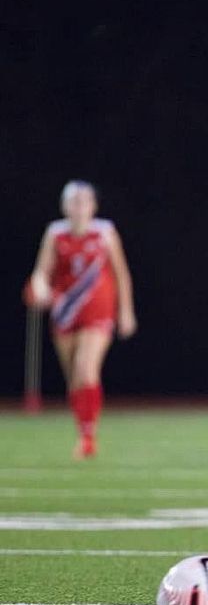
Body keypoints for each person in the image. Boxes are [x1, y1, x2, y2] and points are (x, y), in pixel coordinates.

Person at [26, 181, 137, 459]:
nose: (78, 207)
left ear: (93, 206)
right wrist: (39, 288)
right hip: (65, 313)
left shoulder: (105, 232)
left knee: (86, 368)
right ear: (65, 207)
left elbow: (121, 274)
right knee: (74, 379)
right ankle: (84, 432)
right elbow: (42, 272)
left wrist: (126, 311)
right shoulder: (55, 234)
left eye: (84, 201)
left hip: (99, 312)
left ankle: (89, 438)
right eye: (73, 202)